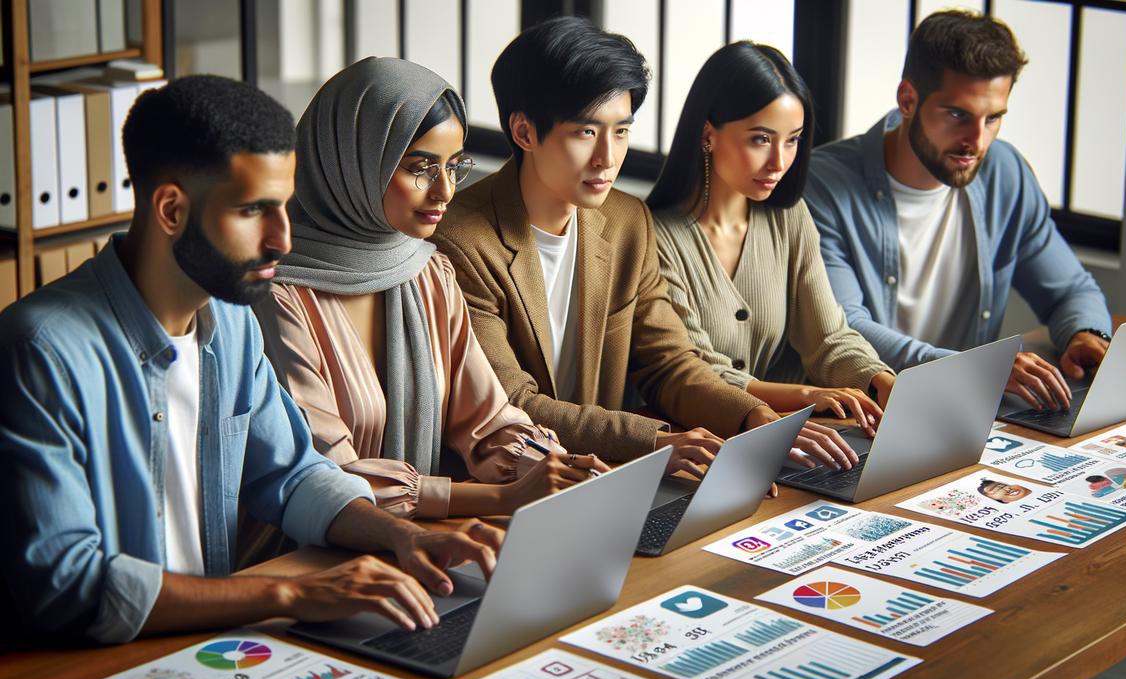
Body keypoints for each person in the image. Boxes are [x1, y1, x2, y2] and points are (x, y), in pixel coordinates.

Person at [0, 75, 501, 646]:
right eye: (253, 211)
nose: (283, 239)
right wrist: (289, 594)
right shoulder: (40, 350)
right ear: (171, 209)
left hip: (215, 646)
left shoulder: (232, 323)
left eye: (284, 206)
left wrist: (397, 536)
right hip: (97, 663)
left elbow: (292, 476)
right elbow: (67, 583)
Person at [431, 16, 858, 474]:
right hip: (503, 484)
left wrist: (752, 417)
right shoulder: (461, 241)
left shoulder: (625, 221)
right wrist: (655, 441)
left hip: (607, 476)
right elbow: (515, 404)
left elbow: (669, 362)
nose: (608, 158)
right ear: (524, 132)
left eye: (621, 130)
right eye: (585, 132)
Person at [241, 58, 605, 566]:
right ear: (353, 161)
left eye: (453, 165)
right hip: (308, 564)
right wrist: (497, 498)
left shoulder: (428, 272)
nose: (445, 192)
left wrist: (554, 467)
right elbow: (329, 480)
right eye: (420, 168)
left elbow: (487, 419)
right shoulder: (275, 297)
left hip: (422, 543)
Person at [806, 9, 1112, 412]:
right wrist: (976, 369)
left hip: (968, 413)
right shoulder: (821, 186)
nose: (976, 140)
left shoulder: (1005, 172)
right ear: (908, 100)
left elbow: (1069, 290)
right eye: (958, 115)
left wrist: (1084, 334)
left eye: (993, 118)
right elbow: (845, 329)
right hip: (859, 416)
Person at [646, 41, 895, 438]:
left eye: (793, 139)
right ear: (708, 134)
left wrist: (880, 380)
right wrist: (806, 395)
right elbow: (693, 370)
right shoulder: (654, 237)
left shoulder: (789, 218)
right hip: (700, 441)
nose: (780, 161)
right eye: (761, 139)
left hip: (796, 437)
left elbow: (828, 336)